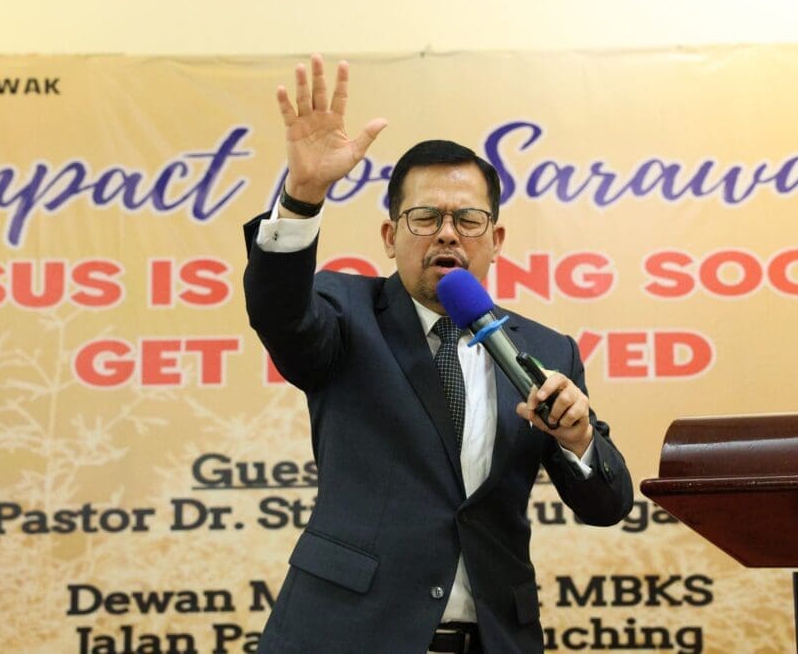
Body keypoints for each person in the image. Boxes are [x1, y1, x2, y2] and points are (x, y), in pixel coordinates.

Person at [243, 55, 633, 653]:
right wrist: (303, 196)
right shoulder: (345, 313)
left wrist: (578, 439)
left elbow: (607, 505)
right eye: (425, 217)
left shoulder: (543, 351)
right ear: (390, 237)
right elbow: (279, 311)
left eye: (468, 219)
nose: (447, 232)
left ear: (496, 241)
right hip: (348, 636)